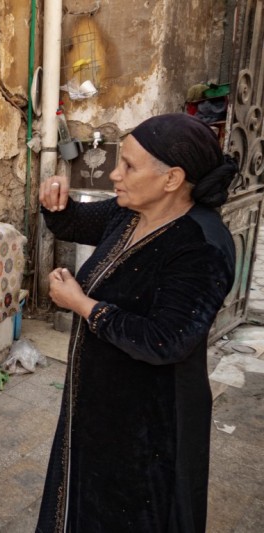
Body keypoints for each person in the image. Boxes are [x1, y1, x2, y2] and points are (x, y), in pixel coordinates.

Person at [35, 113, 238, 532]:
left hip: (152, 422)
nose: (115, 174)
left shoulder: (201, 246)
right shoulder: (129, 213)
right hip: (103, 404)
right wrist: (55, 202)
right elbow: (73, 222)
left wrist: (83, 305)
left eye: (128, 166)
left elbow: (166, 340)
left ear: (172, 179)